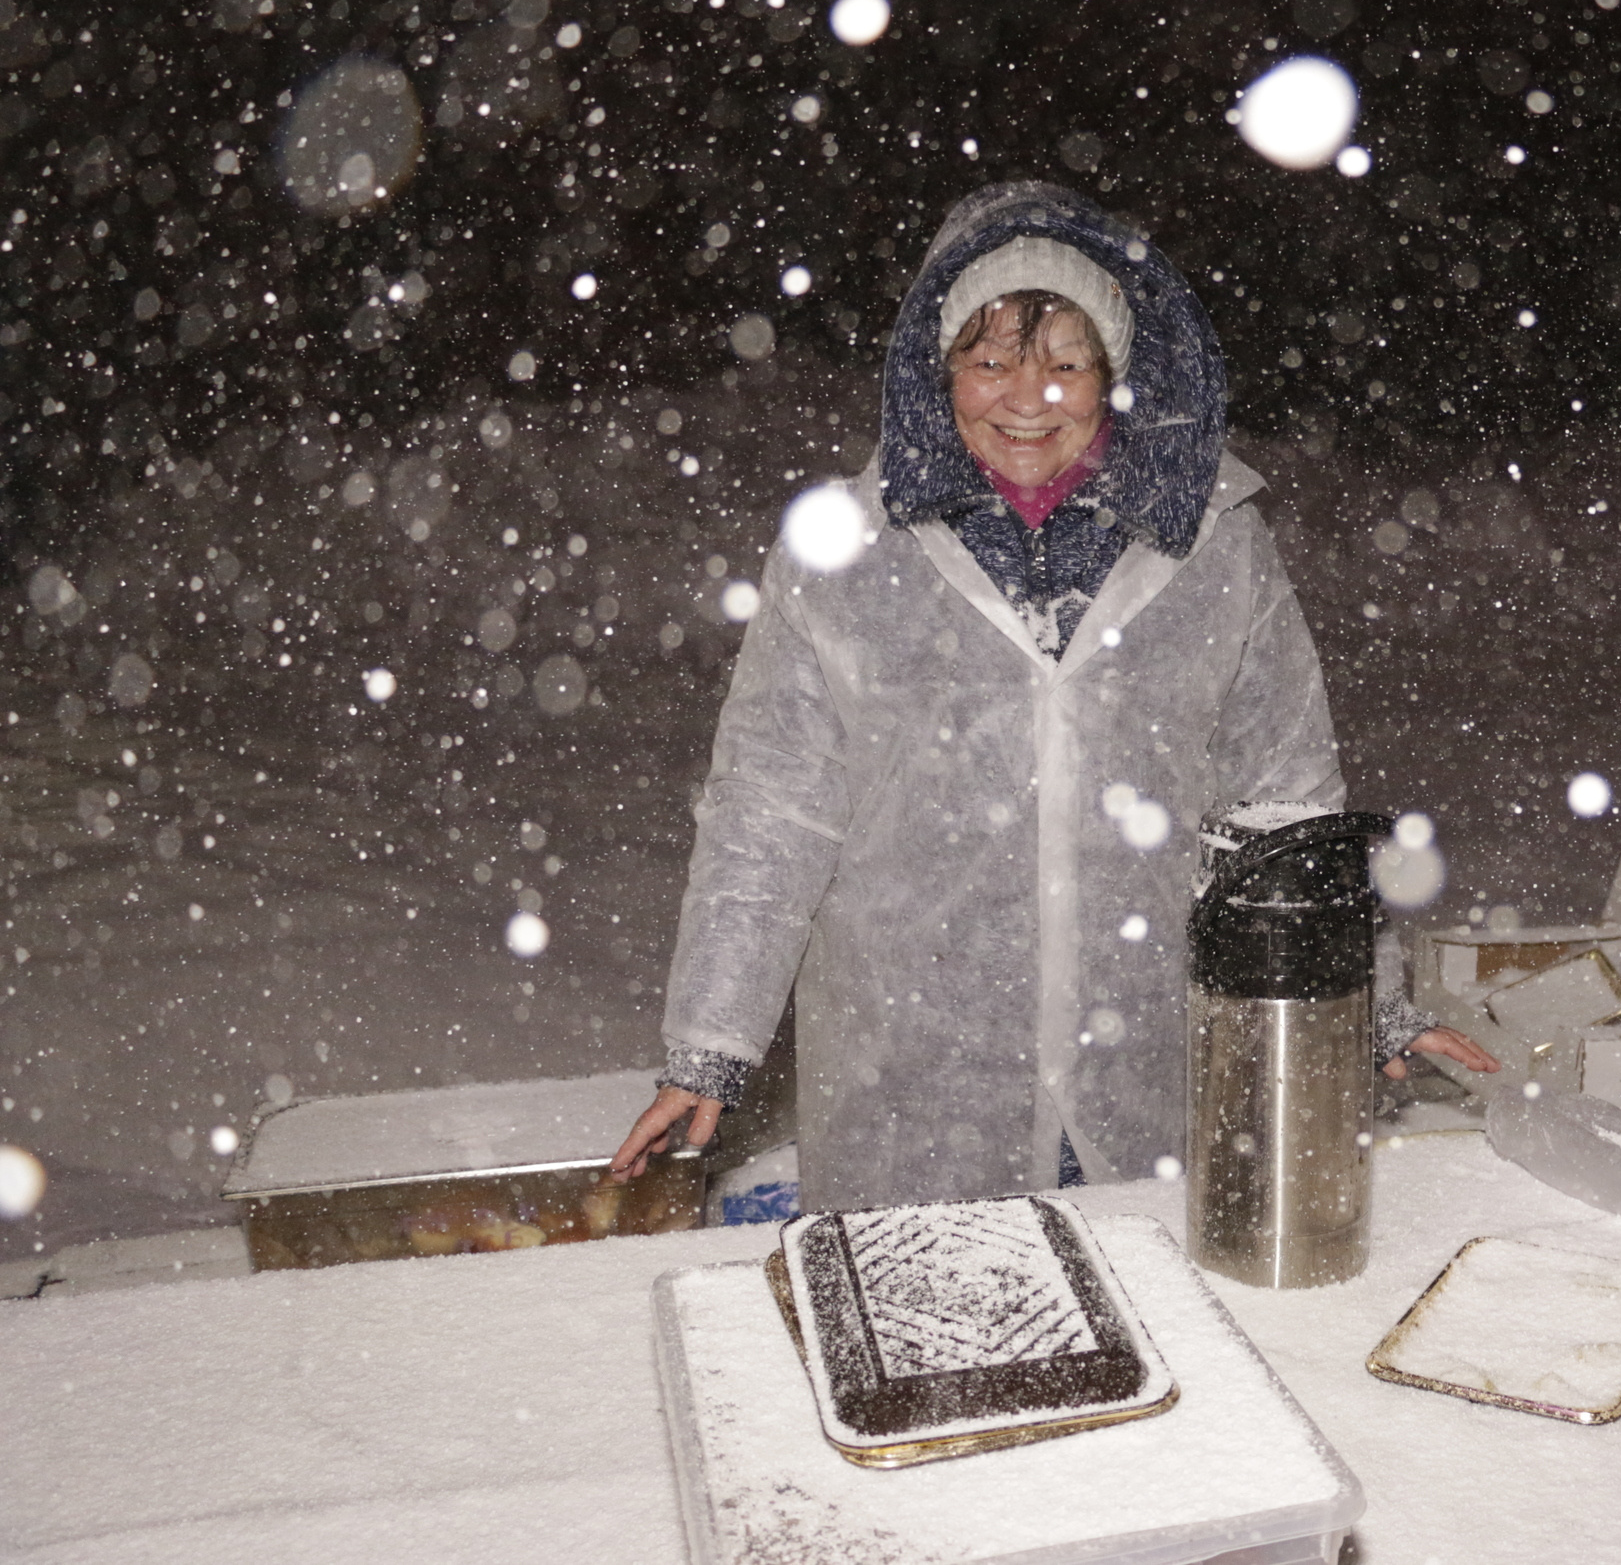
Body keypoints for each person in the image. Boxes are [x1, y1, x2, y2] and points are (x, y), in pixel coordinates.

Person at [612, 181, 1491, 1205]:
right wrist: (710, 1046)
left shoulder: (1212, 544)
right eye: (988, 361)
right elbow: (771, 811)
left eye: (1065, 363)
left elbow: (1285, 802)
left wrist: (1366, 997)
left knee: (1162, 1333)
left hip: (1148, 1055)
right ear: (937, 372)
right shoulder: (847, 556)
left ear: (1114, 375)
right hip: (918, 1075)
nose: (1025, 399)